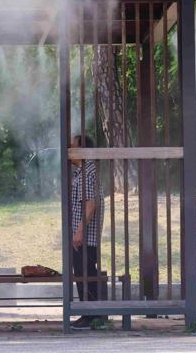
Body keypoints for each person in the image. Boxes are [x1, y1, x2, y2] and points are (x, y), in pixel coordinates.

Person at [69, 135, 105, 330]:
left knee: (85, 272)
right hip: (82, 234)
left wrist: (80, 231)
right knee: (84, 271)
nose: (69, 150)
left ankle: (90, 315)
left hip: (84, 236)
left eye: (72, 146)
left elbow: (90, 205)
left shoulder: (87, 172)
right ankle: (90, 313)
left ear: (82, 149)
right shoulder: (82, 172)